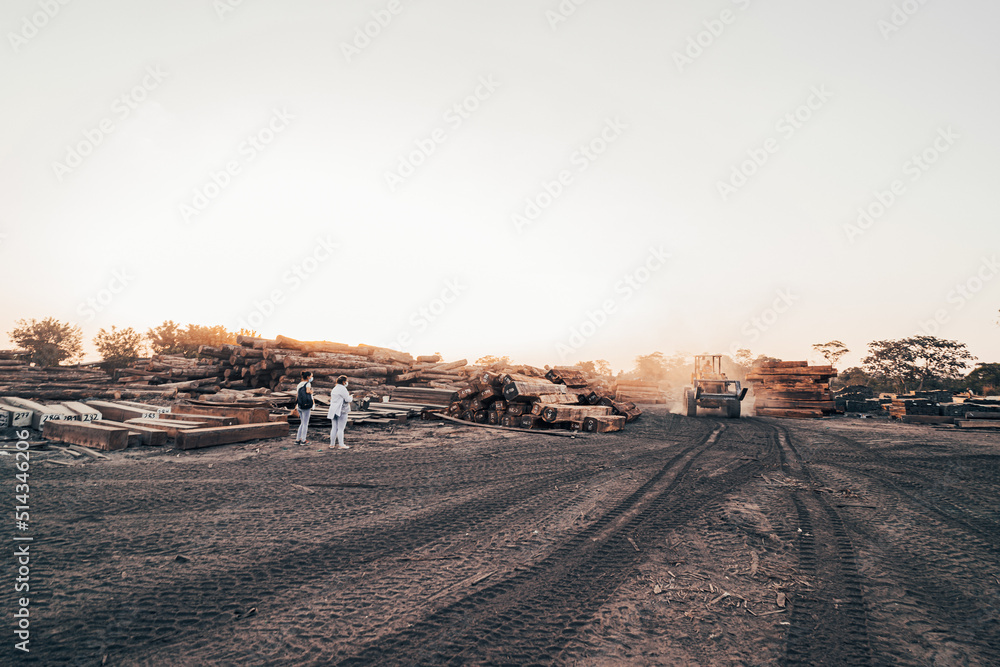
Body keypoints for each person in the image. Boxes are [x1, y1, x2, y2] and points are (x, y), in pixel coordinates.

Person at [328, 375, 352, 449]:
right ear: (344, 382)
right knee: (341, 428)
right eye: (346, 381)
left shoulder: (334, 389)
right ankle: (341, 444)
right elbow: (347, 399)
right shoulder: (343, 389)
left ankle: (332, 444)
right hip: (342, 410)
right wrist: (351, 397)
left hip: (333, 409)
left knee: (334, 427)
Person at [294, 371, 314, 445]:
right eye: (311, 376)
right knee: (305, 423)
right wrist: (311, 392)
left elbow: (297, 395)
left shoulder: (299, 384)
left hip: (300, 405)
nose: (312, 377)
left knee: (302, 423)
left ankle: (297, 439)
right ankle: (303, 440)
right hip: (306, 405)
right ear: (308, 377)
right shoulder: (308, 383)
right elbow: (308, 391)